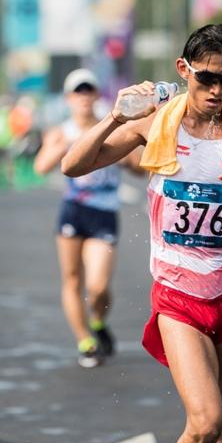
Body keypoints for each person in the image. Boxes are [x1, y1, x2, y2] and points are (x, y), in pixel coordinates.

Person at [62, 25, 222, 443]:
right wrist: (115, 117)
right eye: (206, 78)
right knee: (205, 422)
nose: (217, 90)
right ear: (184, 70)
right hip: (179, 298)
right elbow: (73, 165)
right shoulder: (157, 122)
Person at [34, 69, 141, 368]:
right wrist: (61, 148)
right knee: (71, 280)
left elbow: (139, 168)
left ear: (96, 95)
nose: (83, 97)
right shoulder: (60, 132)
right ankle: (85, 341)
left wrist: (130, 155)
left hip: (104, 213)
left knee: (97, 287)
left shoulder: (112, 128)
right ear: (68, 98)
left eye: (88, 90)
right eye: (77, 92)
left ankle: (97, 321)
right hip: (73, 211)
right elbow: (41, 167)